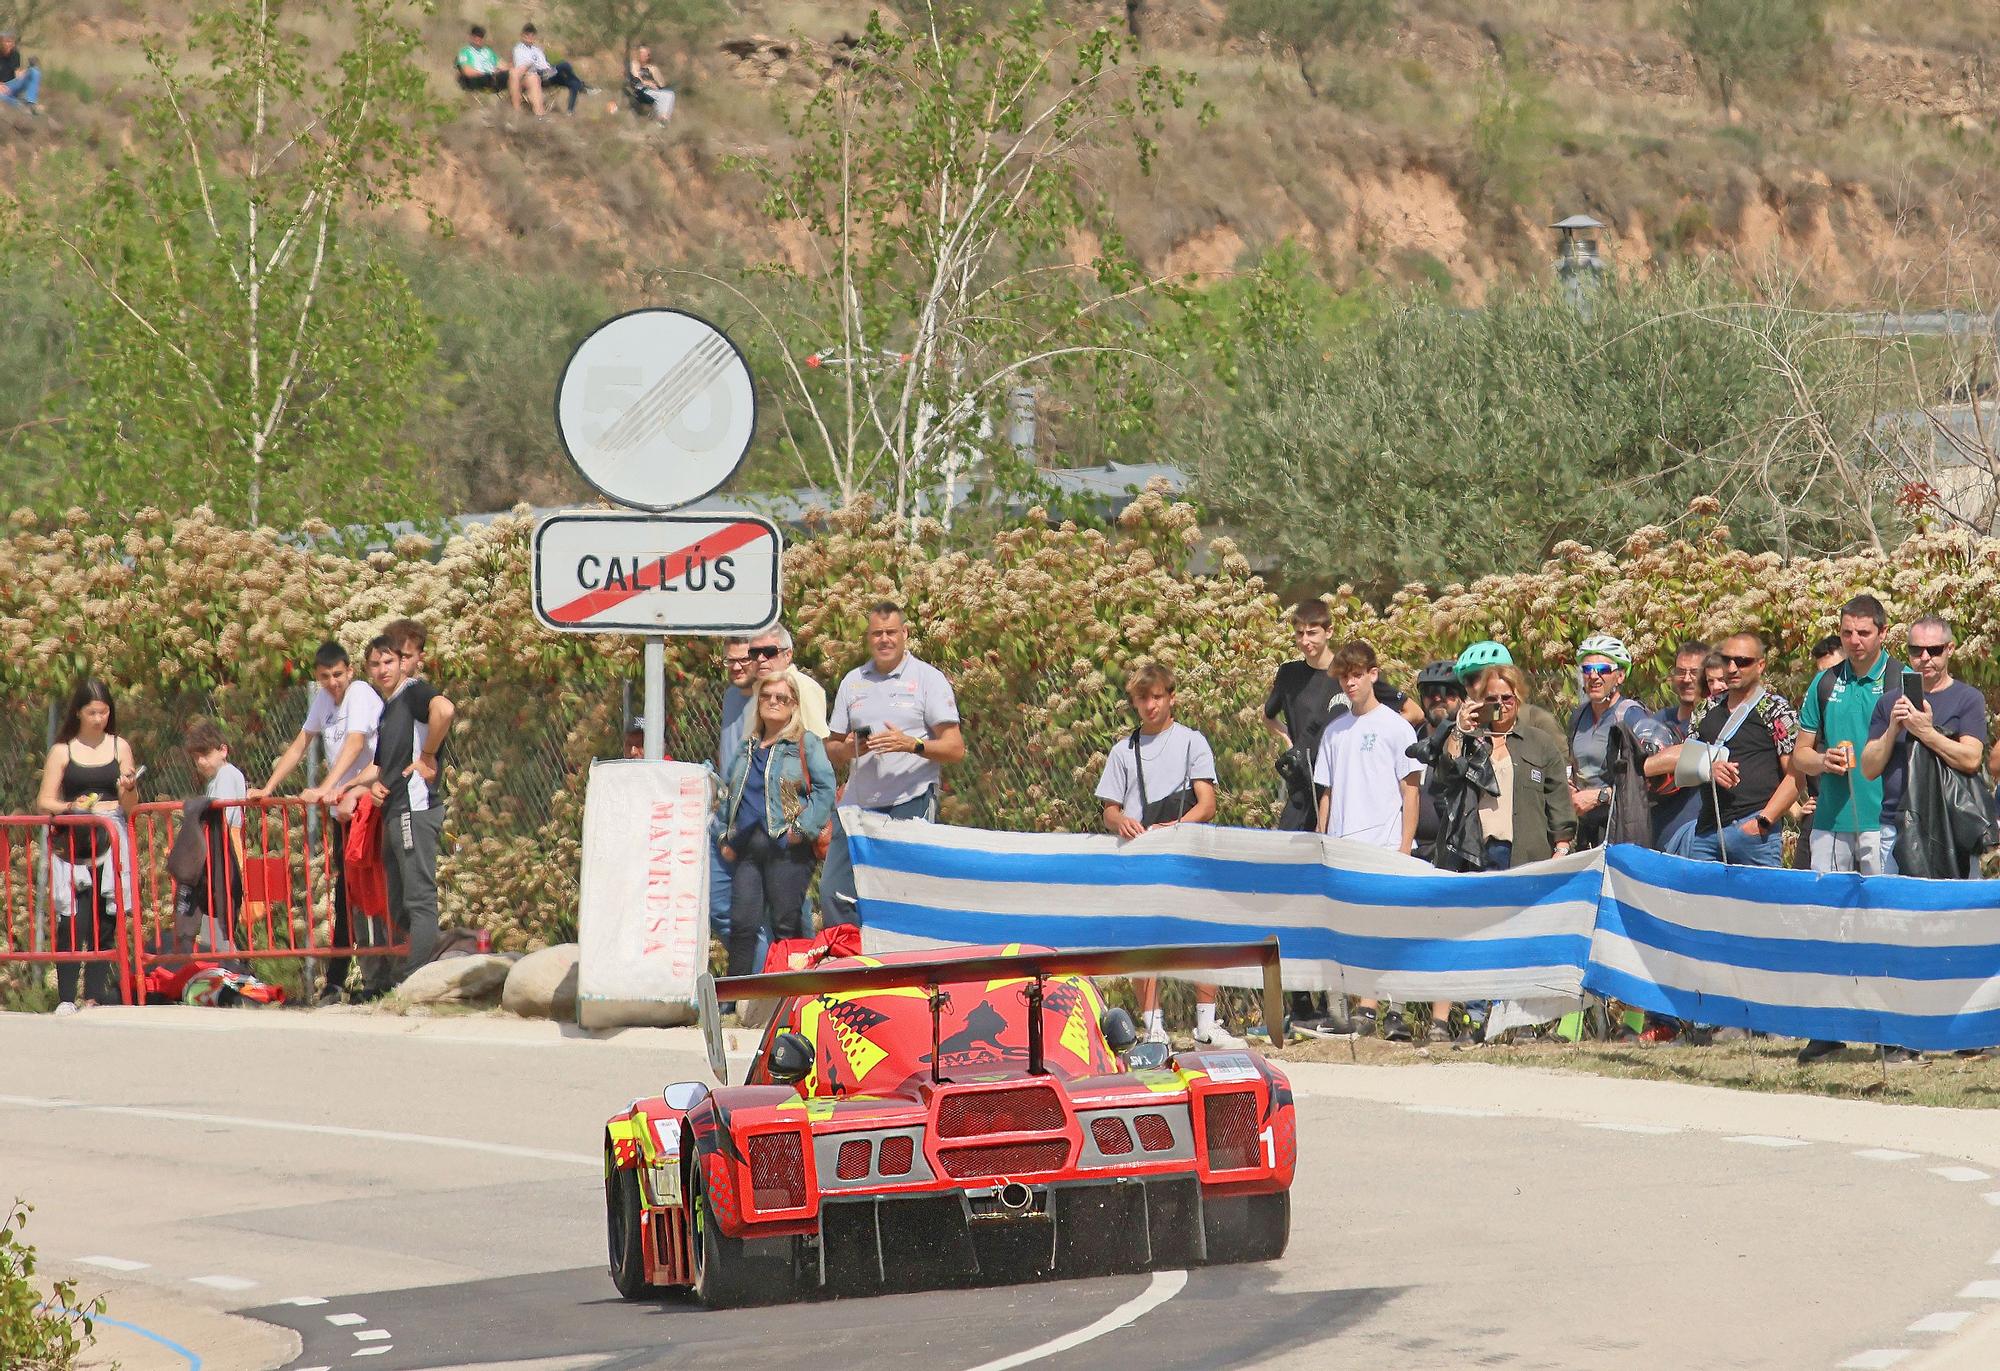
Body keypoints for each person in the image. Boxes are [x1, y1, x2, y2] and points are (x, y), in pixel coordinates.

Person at [1096, 663, 1243, 1050]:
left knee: (1202, 933)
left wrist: (1173, 828)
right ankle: (1153, 1027)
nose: (1149, 705)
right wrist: (1122, 821)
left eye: (1156, 697)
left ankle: (1206, 1026)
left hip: (1185, 852)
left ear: (1171, 697)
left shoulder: (1192, 742)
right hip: (1140, 855)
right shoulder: (1122, 750)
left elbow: (1207, 804)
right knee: (1143, 939)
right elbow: (1109, 809)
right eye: (1142, 698)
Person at [252, 640, 384, 1003]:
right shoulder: (325, 699)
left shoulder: (360, 693)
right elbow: (299, 745)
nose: (333, 683)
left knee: (373, 892)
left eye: (338, 675)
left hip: (370, 805)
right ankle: (338, 981)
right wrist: (269, 786)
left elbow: (356, 744)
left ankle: (382, 978)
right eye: (325, 677)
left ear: (350, 671)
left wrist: (328, 788)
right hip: (345, 810)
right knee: (345, 893)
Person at [821, 602, 965, 927]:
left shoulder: (929, 679)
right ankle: (848, 967)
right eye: (877, 634)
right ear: (868, 639)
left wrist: (911, 745)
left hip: (909, 800)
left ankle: (899, 967)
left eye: (891, 632)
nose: (884, 640)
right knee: (834, 892)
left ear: (905, 635)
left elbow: (955, 749)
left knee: (902, 895)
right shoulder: (852, 681)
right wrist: (848, 749)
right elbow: (832, 747)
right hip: (857, 805)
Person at [1314, 641, 1427, 1041]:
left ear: (1374, 674)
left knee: (1387, 929)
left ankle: (1380, 1009)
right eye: (1344, 675)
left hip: (1384, 844)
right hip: (1342, 847)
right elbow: (1326, 793)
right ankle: (1355, 1010)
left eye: (1357, 674)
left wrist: (1404, 845)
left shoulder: (1397, 726)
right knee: (1353, 931)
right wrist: (1321, 840)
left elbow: (1410, 790)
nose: (1351, 682)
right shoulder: (1334, 731)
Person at [349, 632, 456, 996]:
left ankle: (412, 983)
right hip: (393, 811)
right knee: (397, 903)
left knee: (418, 899)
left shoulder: (413, 693)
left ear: (405, 662)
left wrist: (427, 755)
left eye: (390, 661)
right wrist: (356, 787)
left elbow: (445, 710)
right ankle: (432, 954)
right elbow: (380, 767)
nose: (383, 669)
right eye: (375, 664)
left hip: (414, 808)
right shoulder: (389, 708)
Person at [716, 675, 835, 982]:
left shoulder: (804, 743)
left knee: (787, 924)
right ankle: (735, 997)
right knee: (742, 922)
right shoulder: (748, 745)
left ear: (793, 704)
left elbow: (825, 790)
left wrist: (802, 830)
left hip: (788, 848)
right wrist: (724, 835)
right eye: (767, 695)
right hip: (748, 848)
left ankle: (791, 995)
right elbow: (730, 793)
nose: (772, 701)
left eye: (781, 698)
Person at [34, 679, 140, 1012]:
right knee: (73, 922)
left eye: (104, 711)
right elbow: (44, 801)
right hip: (73, 847)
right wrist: (72, 807)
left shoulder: (119, 746)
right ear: (78, 713)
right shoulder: (62, 750)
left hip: (111, 842)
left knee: (105, 920)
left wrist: (128, 787)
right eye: (92, 712)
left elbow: (131, 805)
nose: (99, 718)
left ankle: (94, 994)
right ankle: (67, 997)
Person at [1654, 632, 1798, 869]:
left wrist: (1763, 821)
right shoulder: (1706, 708)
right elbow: (1687, 767)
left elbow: (1795, 776)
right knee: (1702, 905)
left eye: (1742, 661)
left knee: (1757, 904)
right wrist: (1708, 768)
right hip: (1706, 832)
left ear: (1760, 665)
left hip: (1754, 835)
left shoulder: (1775, 709)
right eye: (1726, 660)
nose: (1732, 668)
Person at [1861, 615, 1988, 878]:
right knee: (1897, 914)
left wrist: (1926, 733)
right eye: (1916, 650)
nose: (1925, 657)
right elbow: (1868, 769)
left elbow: (1971, 758)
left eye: (1935, 650)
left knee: (1956, 913)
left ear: (1950, 649)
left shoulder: (1968, 699)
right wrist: (1893, 729)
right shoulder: (1889, 703)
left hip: (1952, 827)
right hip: (1896, 826)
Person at [1432, 665, 1575, 871]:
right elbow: (1447, 774)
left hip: (1526, 857)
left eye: (1506, 698)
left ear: (1518, 698)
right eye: (1492, 699)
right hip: (1475, 855)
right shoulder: (1470, 739)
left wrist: (1561, 849)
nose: (1500, 704)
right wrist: (1460, 731)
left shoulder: (1539, 742)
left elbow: (1559, 800)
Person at [1794, 595, 1898, 876]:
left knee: (1882, 913)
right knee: (1828, 914)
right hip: (1830, 822)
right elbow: (1800, 755)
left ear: (1883, 632)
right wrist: (1823, 761)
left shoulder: (1902, 679)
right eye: (1846, 633)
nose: (1854, 641)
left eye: (1864, 633)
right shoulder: (1824, 681)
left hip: (1885, 824)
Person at [1567, 634, 1647, 850]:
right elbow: (1574, 766)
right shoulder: (1578, 716)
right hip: (1585, 828)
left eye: (1603, 669)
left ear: (1620, 676)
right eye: (1587, 669)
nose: (1594, 676)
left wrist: (1601, 796)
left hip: (1620, 826)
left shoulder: (1630, 715)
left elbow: (1646, 779)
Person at [1643, 641, 1710, 853]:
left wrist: (1639, 767)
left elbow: (1687, 755)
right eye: (1681, 672)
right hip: (1657, 837)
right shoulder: (1658, 720)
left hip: (1698, 841)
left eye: (1694, 672)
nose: (1687, 679)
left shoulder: (1716, 720)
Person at [1785, 635, 1846, 870]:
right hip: (1817, 820)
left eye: (1832, 673)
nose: (1826, 681)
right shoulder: (1811, 718)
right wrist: (1795, 810)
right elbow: (1788, 767)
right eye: (1820, 674)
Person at [749, 624, 828, 738]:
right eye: (754, 653)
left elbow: (818, 740)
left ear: (788, 655)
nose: (761, 659)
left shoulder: (803, 687)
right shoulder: (756, 689)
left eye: (769, 652)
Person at [511, 24, 587, 115]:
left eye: (532, 36)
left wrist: (549, 68)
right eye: (527, 36)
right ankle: (582, 86)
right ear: (523, 36)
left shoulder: (537, 50)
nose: (530, 38)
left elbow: (545, 64)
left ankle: (570, 111)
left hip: (547, 73)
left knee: (573, 83)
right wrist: (533, 65)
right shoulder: (519, 49)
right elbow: (521, 67)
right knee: (564, 64)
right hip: (536, 75)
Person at [627, 44, 676, 124]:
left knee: (670, 93)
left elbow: (662, 84)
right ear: (639, 54)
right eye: (645, 54)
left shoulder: (650, 68)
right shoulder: (634, 64)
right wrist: (648, 83)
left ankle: (663, 119)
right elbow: (636, 79)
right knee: (667, 95)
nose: (647, 56)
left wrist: (655, 72)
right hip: (640, 90)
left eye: (648, 55)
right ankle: (662, 119)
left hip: (650, 91)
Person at [456, 25, 510, 92]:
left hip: (495, 78)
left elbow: (502, 65)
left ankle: (519, 98)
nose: (478, 39)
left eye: (481, 36)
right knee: (507, 78)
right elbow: (467, 71)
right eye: (476, 36)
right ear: (471, 37)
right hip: (481, 79)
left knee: (513, 75)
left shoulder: (488, 51)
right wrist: (487, 73)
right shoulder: (465, 52)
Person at [0, 32, 40, 113]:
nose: (9, 44)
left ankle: (31, 102)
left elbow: (17, 73)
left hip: (12, 84)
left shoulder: (15, 54)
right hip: (1, 89)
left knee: (34, 72)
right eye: (7, 42)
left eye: (11, 42)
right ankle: (19, 104)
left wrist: (26, 71)